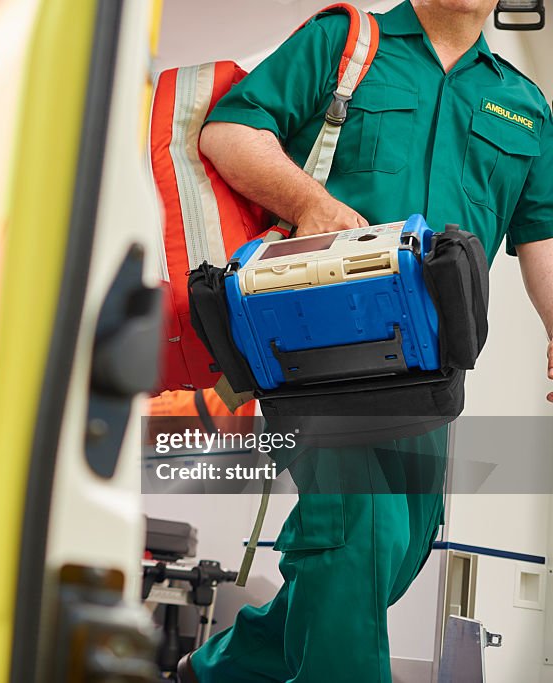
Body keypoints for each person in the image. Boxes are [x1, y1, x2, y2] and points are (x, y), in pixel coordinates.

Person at [179, 1, 553, 681]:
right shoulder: (346, 43)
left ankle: (217, 672)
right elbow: (228, 132)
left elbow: (542, 239)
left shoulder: (523, 104)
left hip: (431, 370)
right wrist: (308, 203)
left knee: (394, 549)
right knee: (359, 536)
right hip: (320, 347)